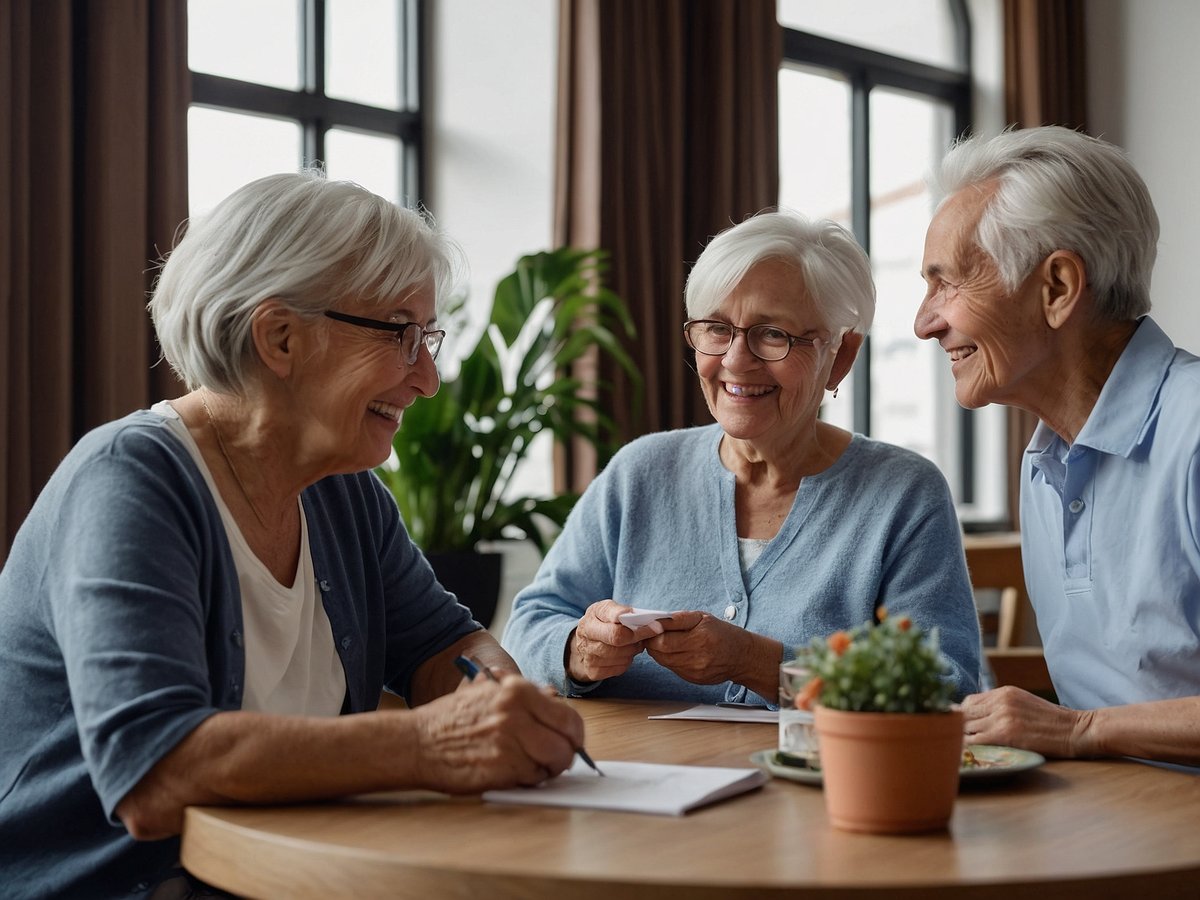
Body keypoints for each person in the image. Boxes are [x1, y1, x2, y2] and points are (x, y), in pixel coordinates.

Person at [0, 171, 585, 898]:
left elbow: (444, 644)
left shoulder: (345, 494)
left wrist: (501, 700)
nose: (428, 378)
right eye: (403, 335)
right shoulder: (130, 481)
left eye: (427, 338)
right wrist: (434, 742)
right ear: (280, 338)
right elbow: (154, 773)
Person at [503, 211, 981, 705]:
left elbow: (944, 684)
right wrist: (576, 650)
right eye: (716, 328)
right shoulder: (640, 472)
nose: (735, 360)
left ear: (840, 356)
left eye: (773, 334)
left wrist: (758, 663)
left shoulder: (903, 494)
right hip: (632, 757)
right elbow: (529, 624)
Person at [914, 125, 1200, 768]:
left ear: (1058, 288)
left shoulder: (1195, 431)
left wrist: (1080, 730)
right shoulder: (1044, 464)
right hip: (1100, 811)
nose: (924, 323)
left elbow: (1083, 727)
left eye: (946, 283)